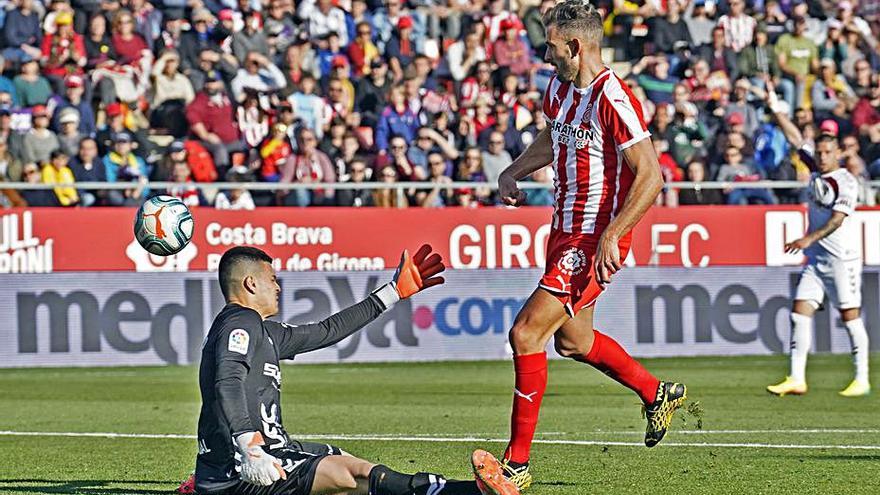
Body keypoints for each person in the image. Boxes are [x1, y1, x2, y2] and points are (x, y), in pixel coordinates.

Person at [491, 2, 686, 489]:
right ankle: (655, 392)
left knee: (526, 335)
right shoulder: (559, 88)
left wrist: (614, 235)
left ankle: (516, 465)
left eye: (550, 45)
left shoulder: (613, 98)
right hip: (562, 230)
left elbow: (651, 175)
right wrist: (514, 169)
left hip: (592, 237)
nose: (545, 53)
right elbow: (553, 138)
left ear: (575, 46)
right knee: (572, 341)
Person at [189, 245, 518, 495]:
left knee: (337, 457)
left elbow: (327, 330)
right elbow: (228, 380)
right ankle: (466, 491)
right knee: (354, 473)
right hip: (245, 468)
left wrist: (393, 293)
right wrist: (250, 447)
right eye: (272, 279)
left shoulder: (265, 331)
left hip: (262, 454)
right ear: (250, 283)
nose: (278, 287)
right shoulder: (240, 320)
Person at [765, 87, 871, 398]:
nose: (822, 157)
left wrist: (806, 238)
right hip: (817, 261)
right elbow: (796, 138)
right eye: (819, 153)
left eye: (827, 153)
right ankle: (797, 378)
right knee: (799, 312)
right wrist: (776, 110)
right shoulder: (815, 168)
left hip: (842, 261)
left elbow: (837, 219)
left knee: (849, 316)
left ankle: (862, 378)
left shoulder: (845, 181)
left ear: (838, 153)